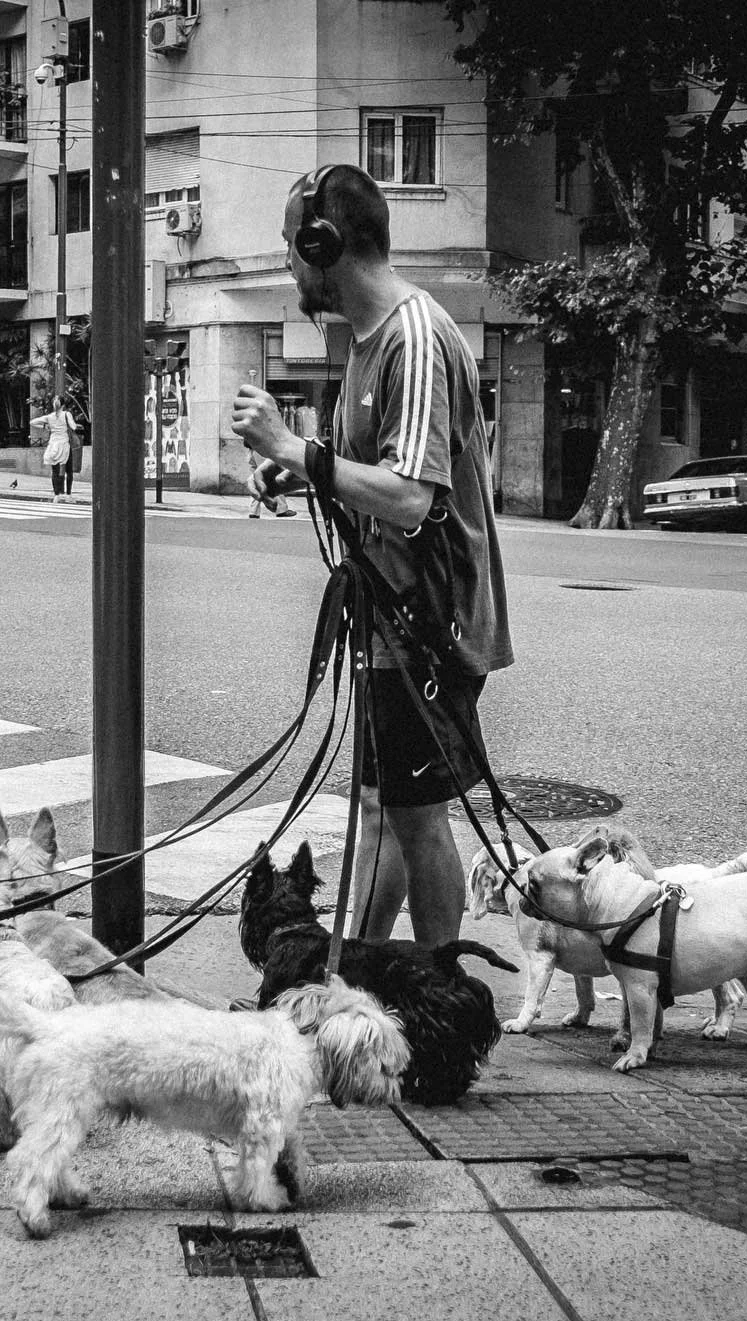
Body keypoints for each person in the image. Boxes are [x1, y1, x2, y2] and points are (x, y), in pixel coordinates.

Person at [231, 163, 513, 949]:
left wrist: (298, 448)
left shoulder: (413, 337)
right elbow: (371, 471)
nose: (288, 263)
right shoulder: (365, 341)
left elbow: (413, 495)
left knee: (417, 818)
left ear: (324, 244)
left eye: (292, 245)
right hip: (390, 617)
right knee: (382, 809)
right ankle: (358, 973)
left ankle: (436, 992)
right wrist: (300, 462)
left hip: (433, 622)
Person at [31, 396, 78, 501]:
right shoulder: (66, 414)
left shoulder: (49, 417)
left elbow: (32, 422)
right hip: (64, 445)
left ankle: (56, 495)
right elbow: (74, 427)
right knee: (68, 470)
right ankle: (68, 495)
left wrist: (44, 427)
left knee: (55, 471)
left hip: (53, 445)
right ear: (63, 405)